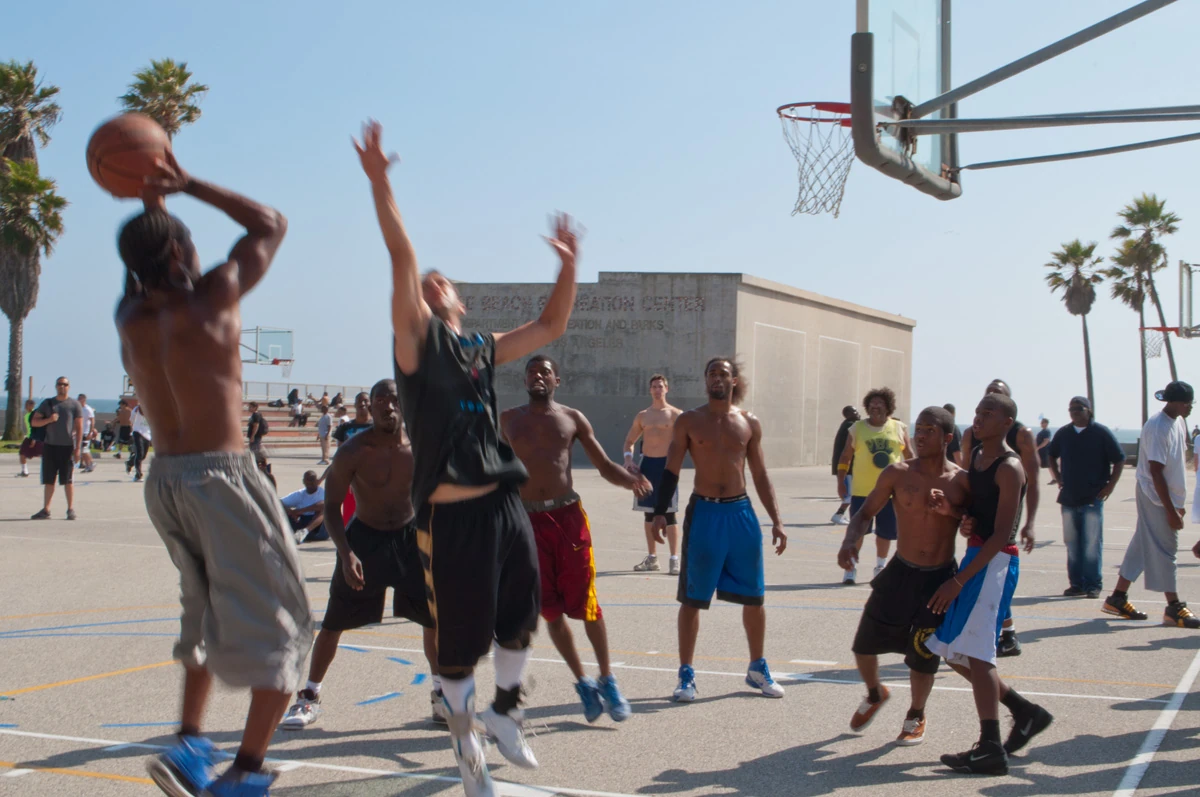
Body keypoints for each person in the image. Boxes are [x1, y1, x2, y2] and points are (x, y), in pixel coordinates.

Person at [360, 119, 578, 795]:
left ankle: (507, 713)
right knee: (461, 645)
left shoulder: (481, 347)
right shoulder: (416, 348)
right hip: (451, 517)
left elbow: (549, 327)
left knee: (522, 618)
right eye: (423, 284)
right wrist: (380, 183)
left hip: (504, 501)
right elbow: (402, 258)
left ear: (458, 300)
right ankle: (466, 745)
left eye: (440, 282)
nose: (430, 283)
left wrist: (568, 267)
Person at [116, 149, 311, 796]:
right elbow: (271, 224)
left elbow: (143, 260)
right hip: (221, 478)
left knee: (201, 613)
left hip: (165, 483)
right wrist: (187, 183)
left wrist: (152, 203)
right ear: (179, 259)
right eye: (188, 246)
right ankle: (245, 773)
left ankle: (190, 746)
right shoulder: (215, 296)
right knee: (286, 618)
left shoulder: (131, 318)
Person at [280, 379, 441, 730]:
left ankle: (442, 696)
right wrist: (346, 551)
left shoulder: (423, 446)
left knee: (432, 619)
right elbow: (333, 506)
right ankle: (309, 697)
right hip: (364, 539)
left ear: (404, 403)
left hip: (409, 538)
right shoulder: (353, 450)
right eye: (380, 400)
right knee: (334, 622)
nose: (386, 406)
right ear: (372, 407)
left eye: (393, 399)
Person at [501, 355, 651, 723]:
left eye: (545, 372)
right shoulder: (507, 420)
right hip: (526, 522)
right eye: (532, 372)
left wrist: (630, 480)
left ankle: (607, 679)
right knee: (550, 611)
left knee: (587, 603)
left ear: (557, 380)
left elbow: (603, 466)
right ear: (524, 381)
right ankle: (583, 683)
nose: (538, 376)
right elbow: (486, 463)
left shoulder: (572, 418)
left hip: (568, 519)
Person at [926, 393, 1052, 775]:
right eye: (977, 412)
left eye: (988, 413)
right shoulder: (977, 458)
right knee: (951, 650)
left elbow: (1002, 534)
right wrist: (954, 512)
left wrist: (959, 581)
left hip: (994, 564)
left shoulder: (1009, 468)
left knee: (979, 656)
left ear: (1007, 421)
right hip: (977, 558)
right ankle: (1024, 711)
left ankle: (990, 747)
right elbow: (978, 514)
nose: (978, 418)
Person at [651, 357, 787, 703]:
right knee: (693, 599)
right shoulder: (689, 421)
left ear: (734, 381)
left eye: (723, 374)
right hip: (705, 514)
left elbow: (760, 474)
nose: (717, 378)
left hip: (741, 513)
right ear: (705, 380)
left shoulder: (748, 423)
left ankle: (757, 666)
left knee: (755, 597)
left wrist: (777, 520)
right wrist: (660, 513)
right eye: (711, 373)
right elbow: (671, 468)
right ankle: (686, 674)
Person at [837, 407, 963, 747]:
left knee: (923, 654)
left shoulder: (960, 480)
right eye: (918, 429)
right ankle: (876, 692)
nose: (920, 436)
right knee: (864, 645)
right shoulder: (897, 473)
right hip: (900, 571)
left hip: (938, 578)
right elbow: (865, 513)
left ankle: (916, 714)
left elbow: (975, 526)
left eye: (929, 431)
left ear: (947, 437)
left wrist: (953, 511)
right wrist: (851, 540)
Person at [1104, 381, 1199, 629]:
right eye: (1188, 403)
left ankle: (1117, 597)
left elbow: (1174, 465)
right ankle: (1174, 606)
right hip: (1155, 495)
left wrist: (1178, 503)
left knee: (1142, 544)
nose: (1191, 408)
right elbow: (1155, 472)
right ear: (1176, 402)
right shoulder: (1158, 427)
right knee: (1167, 548)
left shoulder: (1177, 422)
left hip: (1167, 496)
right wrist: (1170, 510)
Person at [960, 379, 1040, 657]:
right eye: (983, 402)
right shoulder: (974, 442)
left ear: (1008, 416)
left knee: (978, 639)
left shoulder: (1019, 442)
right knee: (967, 628)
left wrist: (1029, 523)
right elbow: (969, 487)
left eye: (995, 399)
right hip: (977, 540)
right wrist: (963, 517)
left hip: (999, 541)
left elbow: (1033, 479)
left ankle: (1005, 635)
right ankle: (1004, 634)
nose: (981, 414)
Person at [1046, 397, 1126, 599]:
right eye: (1071, 409)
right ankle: (1077, 584)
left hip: (1092, 498)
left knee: (1091, 543)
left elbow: (1119, 459)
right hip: (1068, 498)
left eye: (1078, 409)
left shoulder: (1101, 433)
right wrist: (1057, 477)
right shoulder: (1064, 433)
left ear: (1088, 411)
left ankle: (1093, 584)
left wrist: (1110, 485)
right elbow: (1051, 455)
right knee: (1072, 544)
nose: (1074, 412)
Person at [835, 387, 912, 584]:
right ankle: (850, 567)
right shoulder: (857, 428)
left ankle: (880, 566)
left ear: (888, 407)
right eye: (872, 404)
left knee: (885, 533)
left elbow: (910, 457)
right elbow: (846, 455)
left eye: (880, 404)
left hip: (890, 492)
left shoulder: (899, 428)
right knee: (858, 531)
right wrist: (841, 481)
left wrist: (914, 482)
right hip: (862, 491)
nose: (875, 407)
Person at [623, 373, 684, 573]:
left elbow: (687, 440)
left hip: (667, 468)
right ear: (650, 390)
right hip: (647, 467)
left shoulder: (676, 414)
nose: (658, 389)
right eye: (654, 386)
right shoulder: (643, 415)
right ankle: (652, 558)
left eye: (661, 386)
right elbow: (629, 441)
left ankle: (675, 559)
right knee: (649, 514)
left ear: (667, 389)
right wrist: (628, 459)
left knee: (669, 514)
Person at [29, 376, 83, 520]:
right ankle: (46, 509)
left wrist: (78, 448)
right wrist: (49, 420)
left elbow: (79, 427)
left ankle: (70, 509)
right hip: (50, 446)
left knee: (68, 480)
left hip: (67, 447)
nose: (62, 387)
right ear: (56, 386)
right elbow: (34, 422)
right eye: (59, 384)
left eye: (65, 384)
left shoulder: (74, 405)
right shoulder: (48, 404)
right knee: (48, 480)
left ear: (69, 387)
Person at [831, 405, 860, 525]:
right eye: (854, 411)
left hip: (846, 467)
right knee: (850, 495)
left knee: (852, 494)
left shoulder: (847, 425)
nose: (857, 413)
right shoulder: (850, 426)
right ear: (848, 414)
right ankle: (838, 515)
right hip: (846, 467)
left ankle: (843, 515)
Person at [281, 470, 328, 544]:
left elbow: (324, 505)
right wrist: (291, 512)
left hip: (319, 529)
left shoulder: (323, 493)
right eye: (308, 480)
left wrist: (300, 511)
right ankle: (290, 533)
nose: (310, 483)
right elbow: (279, 502)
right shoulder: (300, 494)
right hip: (302, 521)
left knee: (323, 511)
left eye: (312, 480)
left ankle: (305, 531)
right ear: (303, 481)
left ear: (317, 481)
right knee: (281, 510)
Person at [127, 400, 152, 481]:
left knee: (143, 456)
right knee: (139, 453)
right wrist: (132, 431)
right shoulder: (136, 410)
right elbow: (131, 421)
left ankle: (130, 463)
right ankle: (138, 475)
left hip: (147, 434)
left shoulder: (152, 410)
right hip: (138, 432)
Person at [17, 399, 39, 478]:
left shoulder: (34, 414)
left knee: (45, 454)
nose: (25, 406)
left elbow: (36, 427)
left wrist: (34, 439)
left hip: (34, 437)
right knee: (22, 453)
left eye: (27, 405)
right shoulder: (27, 414)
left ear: (31, 406)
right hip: (29, 436)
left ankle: (55, 470)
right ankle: (25, 471)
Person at [78, 393, 96, 473]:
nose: (78, 400)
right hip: (80, 432)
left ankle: (91, 463)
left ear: (84, 400)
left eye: (80, 399)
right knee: (82, 450)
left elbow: (92, 421)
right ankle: (88, 465)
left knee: (84, 450)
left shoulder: (88, 409)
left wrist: (90, 432)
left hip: (86, 432)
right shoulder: (79, 408)